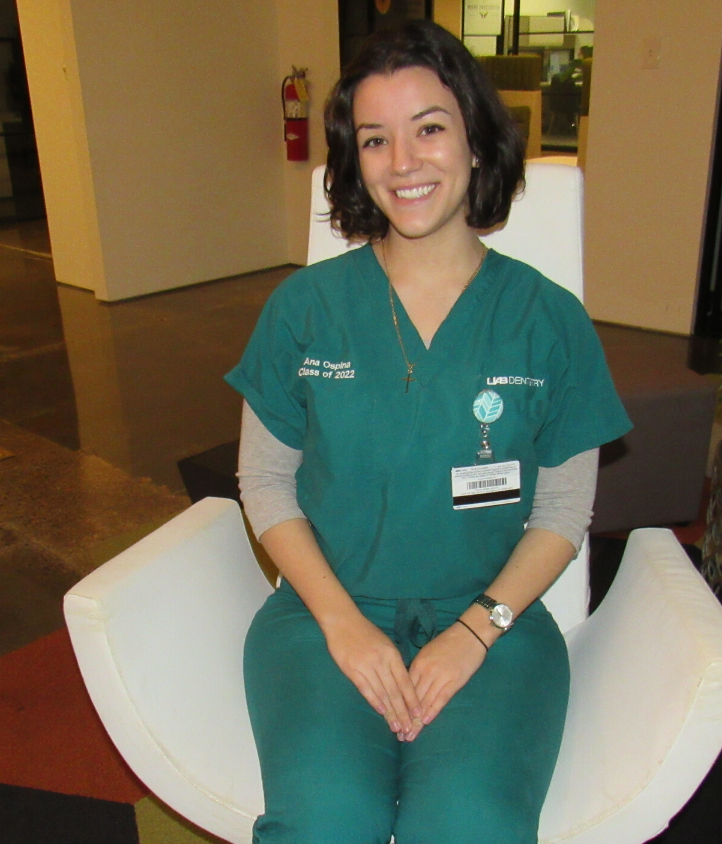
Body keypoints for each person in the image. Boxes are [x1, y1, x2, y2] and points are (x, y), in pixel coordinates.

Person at [225, 19, 631, 844]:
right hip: (322, 612)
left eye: (430, 129)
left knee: (471, 826)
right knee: (324, 823)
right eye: (376, 140)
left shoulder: (547, 320)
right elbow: (264, 482)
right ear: (354, 159)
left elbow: (562, 510)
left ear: (476, 140)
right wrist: (343, 624)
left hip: (497, 620)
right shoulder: (304, 309)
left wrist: (474, 634)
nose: (404, 162)